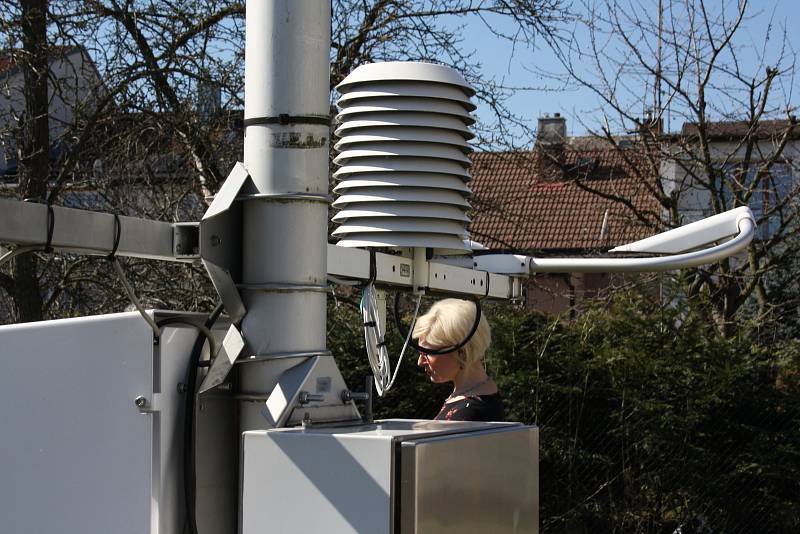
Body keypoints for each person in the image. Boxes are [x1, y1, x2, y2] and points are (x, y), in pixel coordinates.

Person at [413, 298, 504, 422]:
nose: (420, 362)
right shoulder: (476, 393)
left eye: (427, 354)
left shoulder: (467, 415)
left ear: (462, 352)